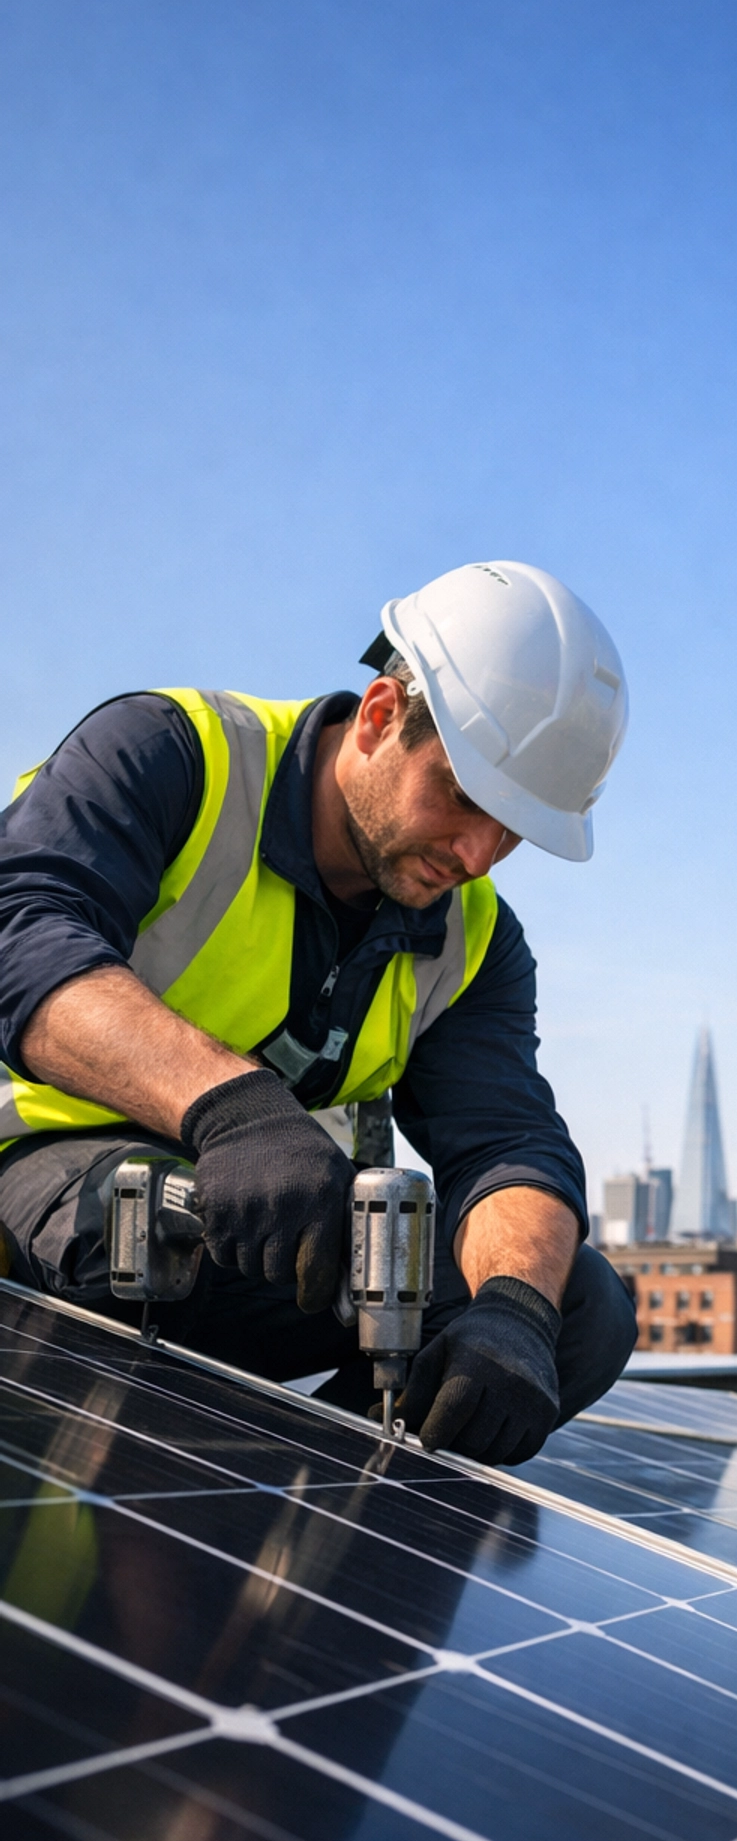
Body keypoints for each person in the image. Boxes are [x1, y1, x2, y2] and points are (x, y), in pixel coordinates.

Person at [0, 559, 637, 1467]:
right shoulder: (173, 753)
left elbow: (505, 1142)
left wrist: (516, 1315)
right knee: (159, 1227)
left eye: (513, 831)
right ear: (381, 716)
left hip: (284, 1218)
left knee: (578, 1307)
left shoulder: (475, 937)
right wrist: (233, 1108)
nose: (477, 854)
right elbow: (21, 932)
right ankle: (184, 1521)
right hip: (55, 1175)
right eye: (465, 799)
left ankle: (325, 1526)